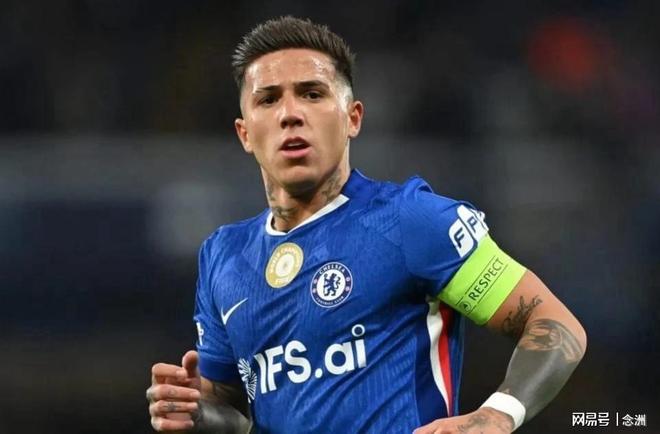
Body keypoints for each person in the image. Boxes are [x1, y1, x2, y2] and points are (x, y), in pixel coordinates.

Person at [146, 16, 587, 434]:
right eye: (268, 99)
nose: (290, 113)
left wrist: (497, 415)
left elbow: (552, 321)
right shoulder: (223, 256)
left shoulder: (411, 221)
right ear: (245, 133)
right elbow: (235, 411)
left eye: (312, 94)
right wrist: (196, 414)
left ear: (352, 118)